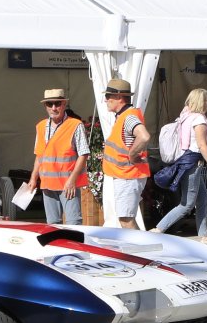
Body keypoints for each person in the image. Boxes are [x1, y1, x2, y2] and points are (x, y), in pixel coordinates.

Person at [151, 88, 207, 242]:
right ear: (201, 102)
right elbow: (202, 145)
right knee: (187, 205)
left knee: (202, 200)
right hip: (193, 163)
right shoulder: (199, 120)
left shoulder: (185, 116)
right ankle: (158, 229)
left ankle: (204, 235)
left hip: (187, 162)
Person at [26, 87, 89, 225]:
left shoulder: (75, 125)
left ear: (64, 104)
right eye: (50, 104)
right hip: (47, 184)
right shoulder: (40, 126)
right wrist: (33, 178)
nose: (54, 108)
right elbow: (39, 155)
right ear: (45, 106)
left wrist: (72, 180)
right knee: (53, 224)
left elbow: (83, 154)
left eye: (57, 103)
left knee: (73, 224)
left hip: (68, 184)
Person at [99, 77, 152, 228]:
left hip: (129, 176)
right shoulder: (124, 116)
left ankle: (139, 244)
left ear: (119, 97)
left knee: (126, 219)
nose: (105, 100)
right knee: (126, 218)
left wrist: (132, 156)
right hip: (127, 175)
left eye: (108, 96)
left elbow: (144, 136)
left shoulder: (128, 116)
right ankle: (139, 243)